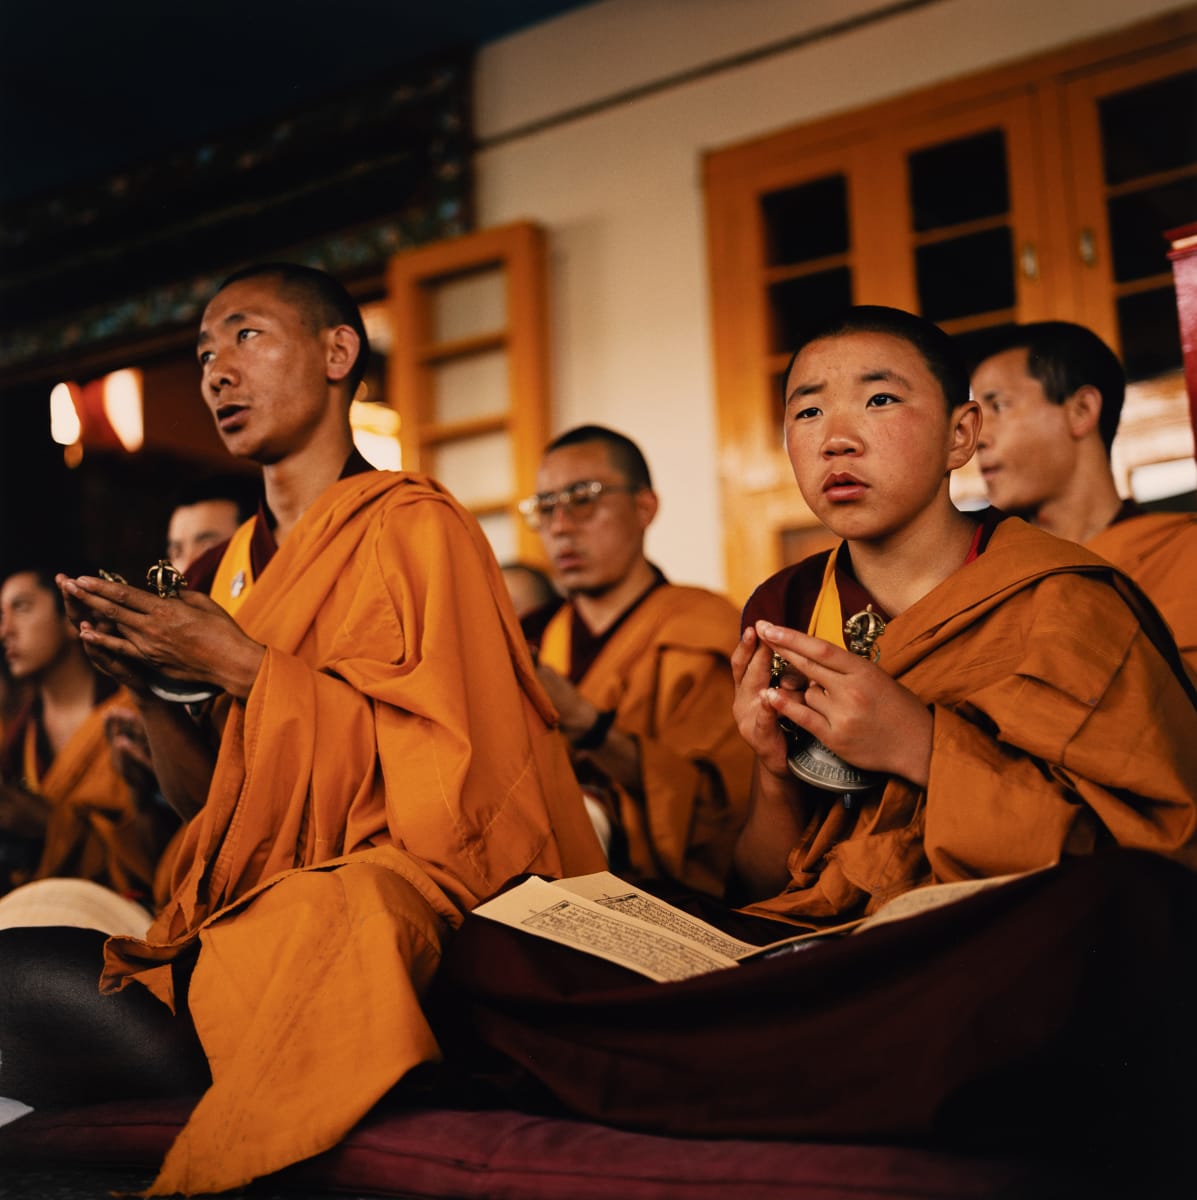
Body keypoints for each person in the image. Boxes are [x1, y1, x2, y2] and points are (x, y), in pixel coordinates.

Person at [431, 307, 1197, 1178]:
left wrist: (918, 745)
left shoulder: (1063, 601)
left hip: (960, 936)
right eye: (806, 412)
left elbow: (1157, 842)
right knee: (500, 938)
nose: (836, 439)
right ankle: (833, 1072)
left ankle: (696, 1073)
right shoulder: (785, 607)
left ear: (959, 435)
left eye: (877, 400)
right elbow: (767, 884)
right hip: (813, 954)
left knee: (1120, 915)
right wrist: (768, 773)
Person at [0, 263, 603, 1194]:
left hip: (389, 887)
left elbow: (461, 780)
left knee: (344, 908)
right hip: (251, 899)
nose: (214, 374)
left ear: (336, 352)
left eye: (245, 336)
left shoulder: (416, 526)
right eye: (203, 353)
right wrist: (156, 691)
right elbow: (213, 803)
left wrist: (240, 665)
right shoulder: (230, 565)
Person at [518, 425, 754, 896]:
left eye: (583, 498)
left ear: (644, 507)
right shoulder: (533, 634)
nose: (560, 526)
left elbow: (717, 807)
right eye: (545, 508)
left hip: (664, 893)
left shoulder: (706, 629)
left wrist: (589, 724)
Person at [971, 321, 1197, 674]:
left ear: (1081, 410)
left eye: (997, 407)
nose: (977, 439)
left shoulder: (1184, 554)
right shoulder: (986, 587)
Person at [0, 567, 169, 902]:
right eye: (0, 616)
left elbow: (169, 843)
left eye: (21, 608)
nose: (5, 631)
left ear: (69, 619)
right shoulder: (18, 738)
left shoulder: (132, 714)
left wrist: (51, 825)